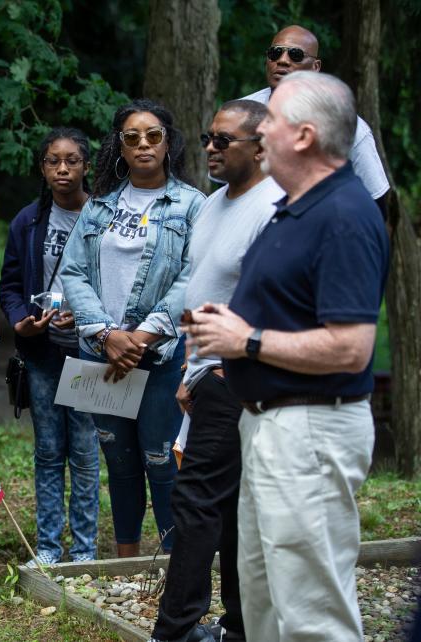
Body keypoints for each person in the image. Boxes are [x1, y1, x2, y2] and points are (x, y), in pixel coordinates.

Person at [187, 72, 389, 642]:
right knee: (267, 606)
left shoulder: (344, 214)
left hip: (311, 430)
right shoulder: (293, 206)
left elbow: (351, 346)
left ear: (302, 135)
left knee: (312, 615)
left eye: (268, 120)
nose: (259, 130)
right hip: (266, 425)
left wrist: (246, 343)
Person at [150, 100, 283, 642]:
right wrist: (190, 365)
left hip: (240, 375)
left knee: (197, 495)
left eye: (224, 140)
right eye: (208, 137)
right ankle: (239, 625)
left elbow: (275, 298)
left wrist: (234, 365)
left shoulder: (276, 206)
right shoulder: (212, 204)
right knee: (225, 504)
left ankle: (176, 628)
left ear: (261, 145)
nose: (210, 147)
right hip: (203, 370)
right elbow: (204, 286)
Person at [59, 99, 204, 558]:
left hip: (160, 358)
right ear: (119, 146)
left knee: (162, 462)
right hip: (104, 358)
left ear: (167, 143)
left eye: (153, 135)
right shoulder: (98, 207)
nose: (143, 144)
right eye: (132, 137)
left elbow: (192, 274)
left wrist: (141, 336)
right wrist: (106, 334)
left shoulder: (192, 204)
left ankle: (171, 566)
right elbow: (73, 271)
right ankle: (126, 563)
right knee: (118, 463)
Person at [0, 127, 99, 567]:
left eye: (72, 160)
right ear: (42, 167)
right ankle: (46, 548)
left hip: (87, 352)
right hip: (42, 354)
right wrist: (22, 319)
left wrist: (91, 316)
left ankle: (83, 550)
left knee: (84, 449)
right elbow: (11, 285)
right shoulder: (29, 221)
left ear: (86, 166)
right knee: (47, 450)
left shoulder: (102, 216)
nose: (63, 169)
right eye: (53, 161)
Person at [240, 25, 390, 211]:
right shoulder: (242, 114)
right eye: (275, 53)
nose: (283, 60)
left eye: (295, 54)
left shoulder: (348, 127)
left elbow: (377, 199)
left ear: (316, 66)